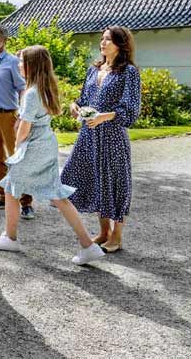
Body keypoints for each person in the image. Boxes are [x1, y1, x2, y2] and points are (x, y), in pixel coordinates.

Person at [0, 46, 106, 265]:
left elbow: (24, 128)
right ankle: (88, 245)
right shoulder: (44, 88)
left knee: (12, 187)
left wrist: (17, 148)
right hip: (46, 145)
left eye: (21, 62)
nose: (18, 65)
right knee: (56, 195)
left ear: (32, 65)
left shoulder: (31, 93)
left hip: (33, 148)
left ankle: (10, 238)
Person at [61, 26, 141, 254]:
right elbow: (83, 99)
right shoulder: (93, 70)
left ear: (121, 44)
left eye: (109, 40)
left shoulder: (128, 72)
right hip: (88, 135)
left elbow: (130, 109)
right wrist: (74, 106)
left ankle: (117, 234)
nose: (103, 43)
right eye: (102, 39)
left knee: (115, 183)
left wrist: (103, 117)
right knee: (95, 181)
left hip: (112, 136)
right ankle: (104, 231)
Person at [0, 24, 35, 218]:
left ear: (4, 39)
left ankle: (26, 203)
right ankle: (3, 196)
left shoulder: (12, 62)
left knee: (17, 159)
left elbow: (22, 89)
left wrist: (21, 115)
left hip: (8, 115)